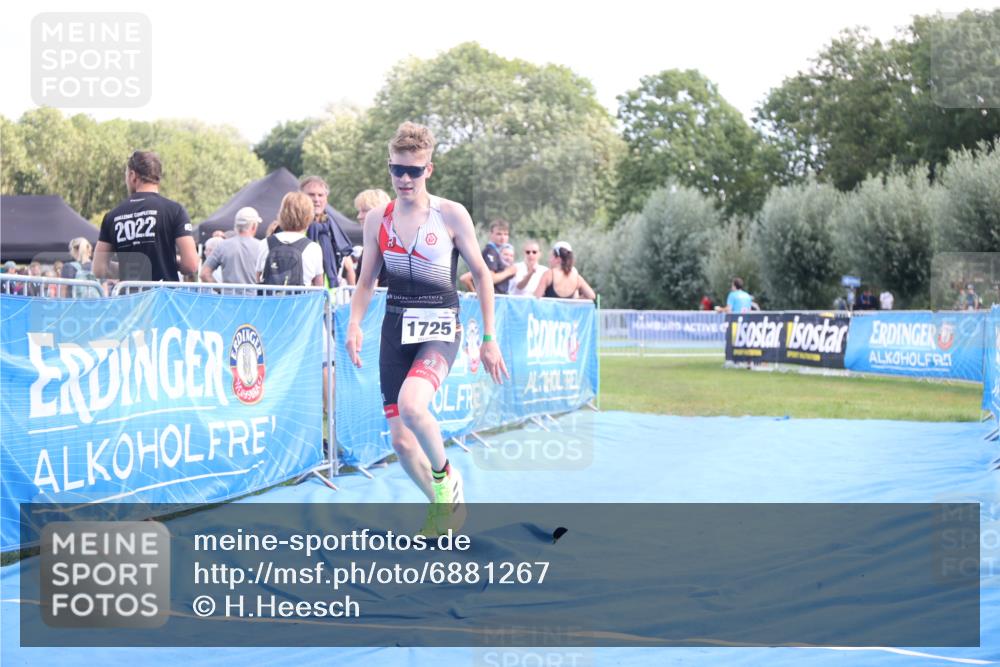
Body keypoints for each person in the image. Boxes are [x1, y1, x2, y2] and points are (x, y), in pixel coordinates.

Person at [346, 121, 508, 535]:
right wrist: (354, 324)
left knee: (414, 405)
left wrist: (489, 338)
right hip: (395, 329)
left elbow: (482, 276)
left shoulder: (451, 214)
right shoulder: (377, 220)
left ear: (429, 170)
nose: (403, 179)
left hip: (440, 326)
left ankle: (446, 481)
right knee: (400, 442)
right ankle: (444, 508)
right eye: (396, 170)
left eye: (413, 171)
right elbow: (366, 282)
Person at [93, 151, 199, 283]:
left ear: (133, 175)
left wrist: (132, 269)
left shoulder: (112, 216)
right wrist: (170, 263)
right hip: (163, 298)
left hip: (129, 298)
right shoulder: (174, 210)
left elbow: (99, 268)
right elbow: (191, 264)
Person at [255, 193, 324, 287]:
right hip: (301, 301)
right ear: (308, 217)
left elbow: (259, 278)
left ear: (282, 214)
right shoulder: (314, 248)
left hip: (270, 301)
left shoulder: (265, 243)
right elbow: (318, 286)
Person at [299, 175, 355, 287]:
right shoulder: (293, 225)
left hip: (329, 296)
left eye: (320, 195)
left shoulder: (332, 227)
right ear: (301, 197)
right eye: (311, 195)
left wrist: (353, 296)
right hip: (301, 294)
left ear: (326, 198)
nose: (316, 199)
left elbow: (348, 267)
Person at [200, 206, 263, 285]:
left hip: (228, 296)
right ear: (253, 226)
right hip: (252, 296)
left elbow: (204, 274)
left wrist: (221, 290)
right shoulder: (261, 246)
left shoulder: (223, 246)